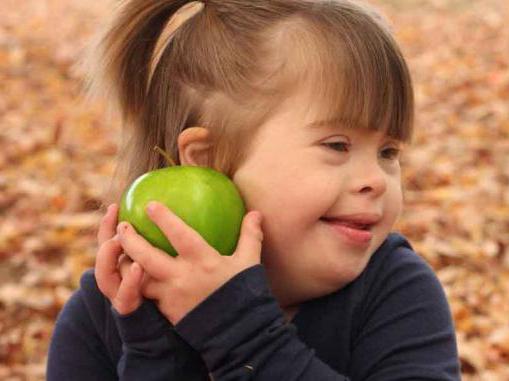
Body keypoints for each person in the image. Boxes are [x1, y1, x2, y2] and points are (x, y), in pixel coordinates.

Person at [47, 0, 460, 379]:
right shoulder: (104, 315)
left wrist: (244, 337)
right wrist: (156, 350)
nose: (376, 179)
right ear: (206, 160)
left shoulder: (397, 293)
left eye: (389, 152)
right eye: (337, 145)